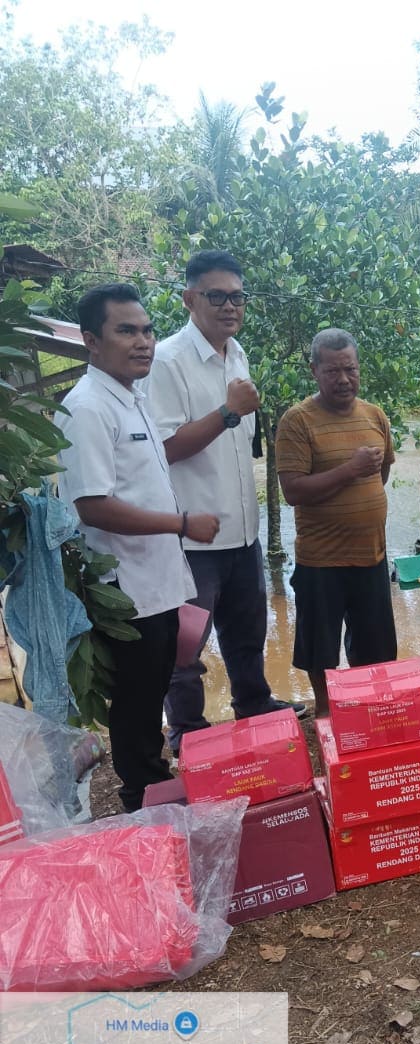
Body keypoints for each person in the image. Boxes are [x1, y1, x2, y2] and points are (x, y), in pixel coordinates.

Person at [56, 283, 219, 811]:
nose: (143, 341)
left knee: (151, 693)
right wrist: (181, 523)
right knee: (136, 702)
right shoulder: (85, 408)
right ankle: (145, 799)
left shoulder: (132, 398)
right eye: (126, 330)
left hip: (157, 583)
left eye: (147, 330)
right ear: (91, 341)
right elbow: (92, 505)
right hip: (125, 590)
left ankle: (155, 787)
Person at [144, 249, 303, 754]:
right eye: (217, 296)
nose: (230, 306)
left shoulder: (237, 354)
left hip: (242, 530)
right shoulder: (166, 361)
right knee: (186, 644)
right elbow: (163, 448)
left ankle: (254, 705)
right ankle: (187, 731)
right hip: (193, 535)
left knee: (247, 631)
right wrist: (228, 413)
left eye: (237, 297)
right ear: (190, 298)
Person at [275, 329, 397, 714]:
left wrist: (362, 490)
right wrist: (350, 470)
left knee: (375, 643)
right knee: (319, 647)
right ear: (314, 370)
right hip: (321, 560)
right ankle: (327, 711)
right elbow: (292, 490)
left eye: (351, 369)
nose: (344, 379)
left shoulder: (375, 414)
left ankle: (368, 708)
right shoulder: (297, 421)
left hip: (372, 556)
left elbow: (383, 474)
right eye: (332, 371)